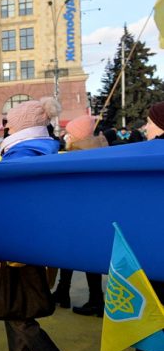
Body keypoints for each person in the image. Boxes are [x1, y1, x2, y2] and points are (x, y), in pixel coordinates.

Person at [0, 97, 96, 351]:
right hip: (31, 246)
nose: (6, 125)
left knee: (18, 313)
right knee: (15, 311)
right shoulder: (40, 150)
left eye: (10, 121)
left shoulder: (21, 155)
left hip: (14, 247)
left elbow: (10, 205)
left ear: (21, 127)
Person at [97, 101, 164, 351]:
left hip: (153, 259)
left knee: (152, 325)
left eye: (150, 122)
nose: (146, 128)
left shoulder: (151, 158)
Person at [52, 115, 108, 314]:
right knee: (81, 254)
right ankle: (71, 293)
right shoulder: (100, 150)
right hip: (95, 212)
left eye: (70, 132)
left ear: (78, 135)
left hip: (78, 211)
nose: (67, 136)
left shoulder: (78, 154)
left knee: (73, 253)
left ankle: (92, 299)